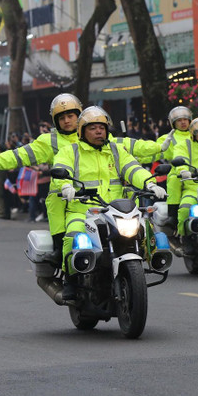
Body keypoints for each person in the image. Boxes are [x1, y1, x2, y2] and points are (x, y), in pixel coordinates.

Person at [52, 106, 166, 300]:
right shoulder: (70, 151)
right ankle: (71, 280)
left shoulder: (115, 150)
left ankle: (155, 261)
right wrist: (65, 186)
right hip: (83, 210)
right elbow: (61, 169)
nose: (98, 131)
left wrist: (150, 183)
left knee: (145, 229)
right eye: (93, 128)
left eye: (102, 127)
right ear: (81, 131)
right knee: (73, 236)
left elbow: (133, 168)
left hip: (117, 209)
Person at [0, 94, 84, 249]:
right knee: (65, 250)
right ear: (56, 120)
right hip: (62, 203)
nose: (67, 121)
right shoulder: (49, 141)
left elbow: (124, 153)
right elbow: (20, 155)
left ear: (80, 116)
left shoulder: (93, 135)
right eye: (62, 117)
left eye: (71, 116)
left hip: (98, 202)